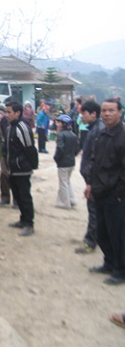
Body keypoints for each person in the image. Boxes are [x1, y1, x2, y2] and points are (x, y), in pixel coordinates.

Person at [86, 98, 125, 285]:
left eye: (111, 110)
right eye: (104, 110)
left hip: (115, 195)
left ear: (120, 112)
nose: (107, 114)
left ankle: (120, 269)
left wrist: (119, 193)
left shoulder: (122, 136)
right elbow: (95, 162)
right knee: (102, 232)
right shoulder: (102, 134)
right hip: (99, 191)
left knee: (117, 234)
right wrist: (90, 184)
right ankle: (108, 262)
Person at [4, 100, 39, 237]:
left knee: (25, 197)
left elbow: (30, 149)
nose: (6, 115)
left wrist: (31, 165)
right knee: (17, 196)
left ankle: (29, 224)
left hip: (22, 169)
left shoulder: (22, 128)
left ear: (18, 113)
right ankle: (22, 219)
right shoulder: (10, 127)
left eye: (9, 112)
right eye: (6, 112)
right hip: (12, 169)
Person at [76, 100, 105, 254]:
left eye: (84, 114)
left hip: (95, 181)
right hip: (93, 179)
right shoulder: (94, 129)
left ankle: (90, 242)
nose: (81, 117)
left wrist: (90, 182)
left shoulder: (98, 130)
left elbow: (95, 158)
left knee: (94, 212)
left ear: (94, 114)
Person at [53, 114, 79, 209]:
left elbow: (60, 148)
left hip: (63, 163)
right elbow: (77, 149)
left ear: (63, 124)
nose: (57, 123)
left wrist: (56, 158)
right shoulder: (73, 135)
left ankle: (64, 203)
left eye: (59, 122)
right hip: (71, 162)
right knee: (67, 182)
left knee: (63, 183)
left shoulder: (61, 134)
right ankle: (72, 199)